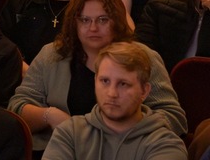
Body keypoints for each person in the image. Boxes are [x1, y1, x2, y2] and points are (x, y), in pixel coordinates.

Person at [8, 0, 185, 152]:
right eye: (85, 20)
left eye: (102, 20)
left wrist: (128, 129)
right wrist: (49, 115)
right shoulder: (51, 55)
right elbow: (17, 107)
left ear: (116, 21)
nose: (93, 28)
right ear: (74, 23)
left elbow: (172, 116)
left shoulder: (143, 57)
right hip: (61, 150)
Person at [40, 42, 188, 160]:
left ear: (144, 91)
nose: (112, 93)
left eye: (123, 84)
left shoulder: (166, 145)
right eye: (105, 81)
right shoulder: (69, 133)